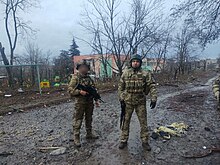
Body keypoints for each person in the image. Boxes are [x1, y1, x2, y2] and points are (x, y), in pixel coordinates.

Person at [118, 54, 157, 151]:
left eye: (137, 61)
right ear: (131, 62)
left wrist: (154, 98)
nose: (135, 63)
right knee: (125, 122)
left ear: (140, 63)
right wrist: (121, 97)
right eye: (133, 61)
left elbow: (152, 85)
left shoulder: (145, 73)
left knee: (143, 122)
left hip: (140, 101)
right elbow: (120, 87)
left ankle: (145, 141)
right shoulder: (126, 73)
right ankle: (123, 140)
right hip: (128, 102)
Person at [68, 60, 99, 147]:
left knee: (89, 118)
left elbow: (94, 90)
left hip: (89, 102)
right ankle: (76, 136)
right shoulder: (75, 78)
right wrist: (79, 92)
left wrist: (96, 100)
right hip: (80, 103)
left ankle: (89, 133)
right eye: (82, 67)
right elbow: (70, 90)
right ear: (78, 68)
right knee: (78, 119)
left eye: (85, 67)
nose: (84, 69)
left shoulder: (89, 78)